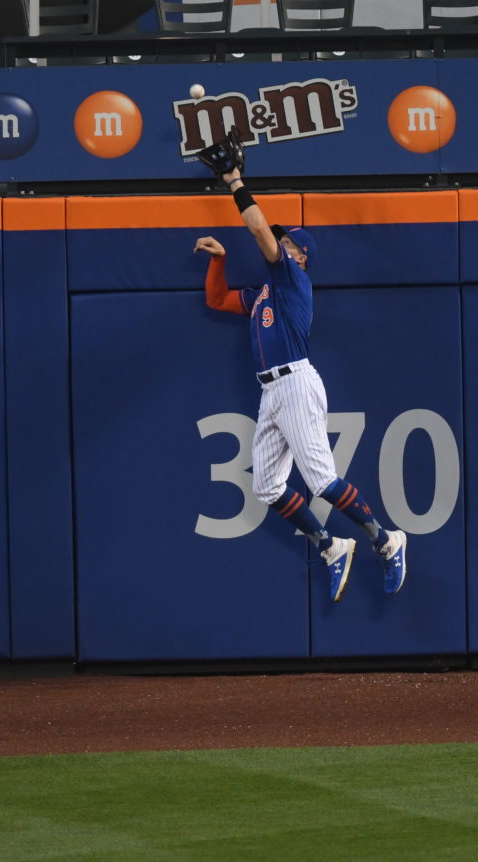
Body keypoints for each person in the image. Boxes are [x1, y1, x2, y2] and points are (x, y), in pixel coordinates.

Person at [193, 160, 406, 602]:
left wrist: (235, 182)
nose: (280, 244)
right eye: (282, 241)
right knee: (267, 486)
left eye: (288, 242)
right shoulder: (264, 295)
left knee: (322, 481)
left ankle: (386, 540)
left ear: (301, 257)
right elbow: (218, 300)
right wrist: (221, 261)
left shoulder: (293, 279)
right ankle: (331, 546)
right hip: (272, 390)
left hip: (295, 382)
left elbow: (259, 233)